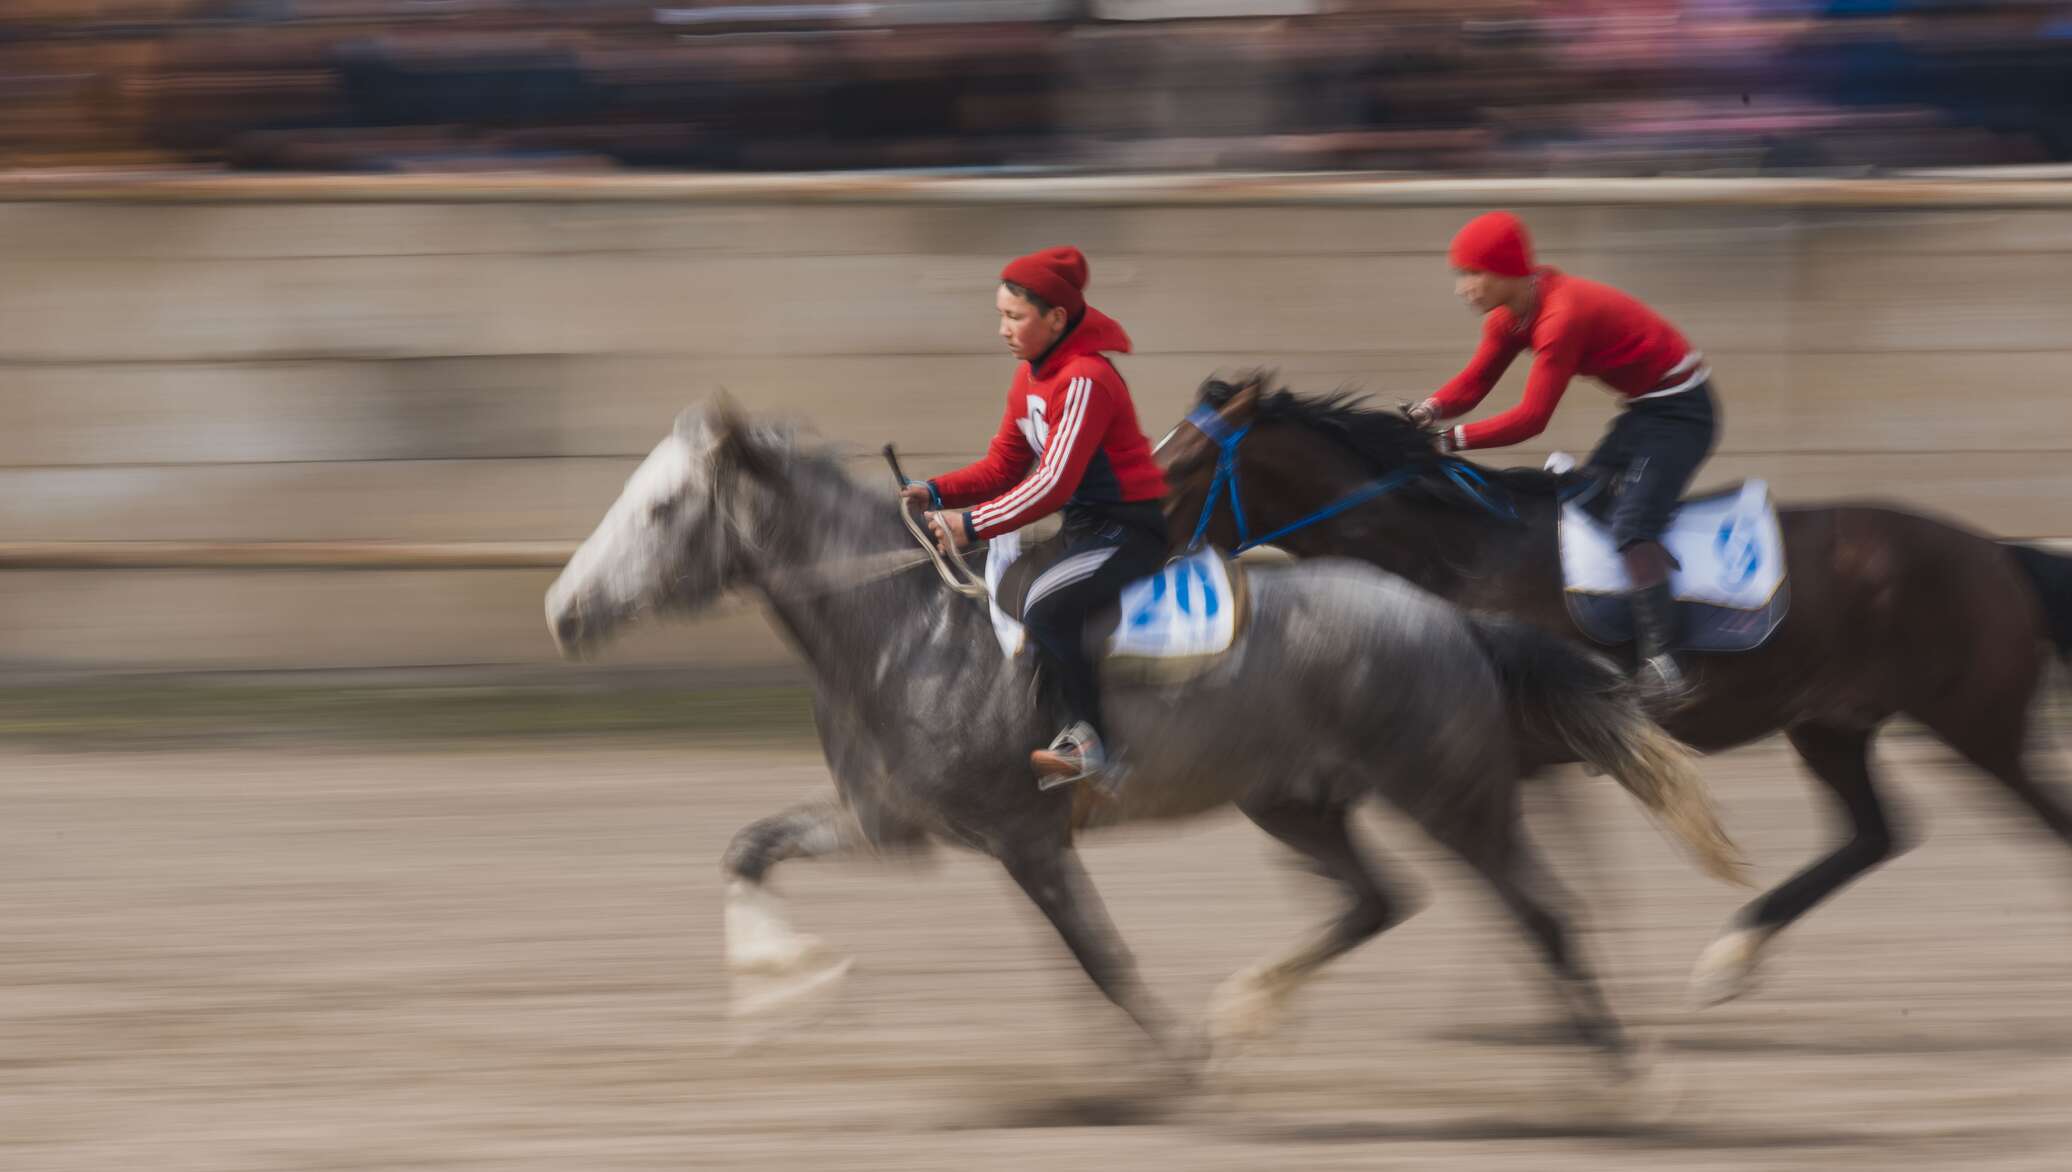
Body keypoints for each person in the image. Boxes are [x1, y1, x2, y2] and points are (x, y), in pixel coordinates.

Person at [1405, 211, 1719, 701]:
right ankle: (1644, 597)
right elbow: (1475, 383)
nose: (1462, 288)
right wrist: (1428, 410)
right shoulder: (1510, 316)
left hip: (1683, 416)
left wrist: (1448, 441)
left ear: (1507, 270)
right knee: (1587, 497)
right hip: (1647, 410)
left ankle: (1667, 663)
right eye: (1460, 275)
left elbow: (1532, 418)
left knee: (1634, 525)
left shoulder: (1561, 316)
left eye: (1472, 274)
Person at [901, 246, 1169, 785]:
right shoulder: (1030, 378)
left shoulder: (1087, 378)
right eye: (1000, 315)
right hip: (1083, 531)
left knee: (1045, 606)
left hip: (1127, 531)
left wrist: (968, 525)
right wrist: (933, 492)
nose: (1003, 329)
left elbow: (1052, 484)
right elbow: (1004, 466)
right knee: (1012, 596)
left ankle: (1096, 748)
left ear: (1056, 318)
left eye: (1014, 317)